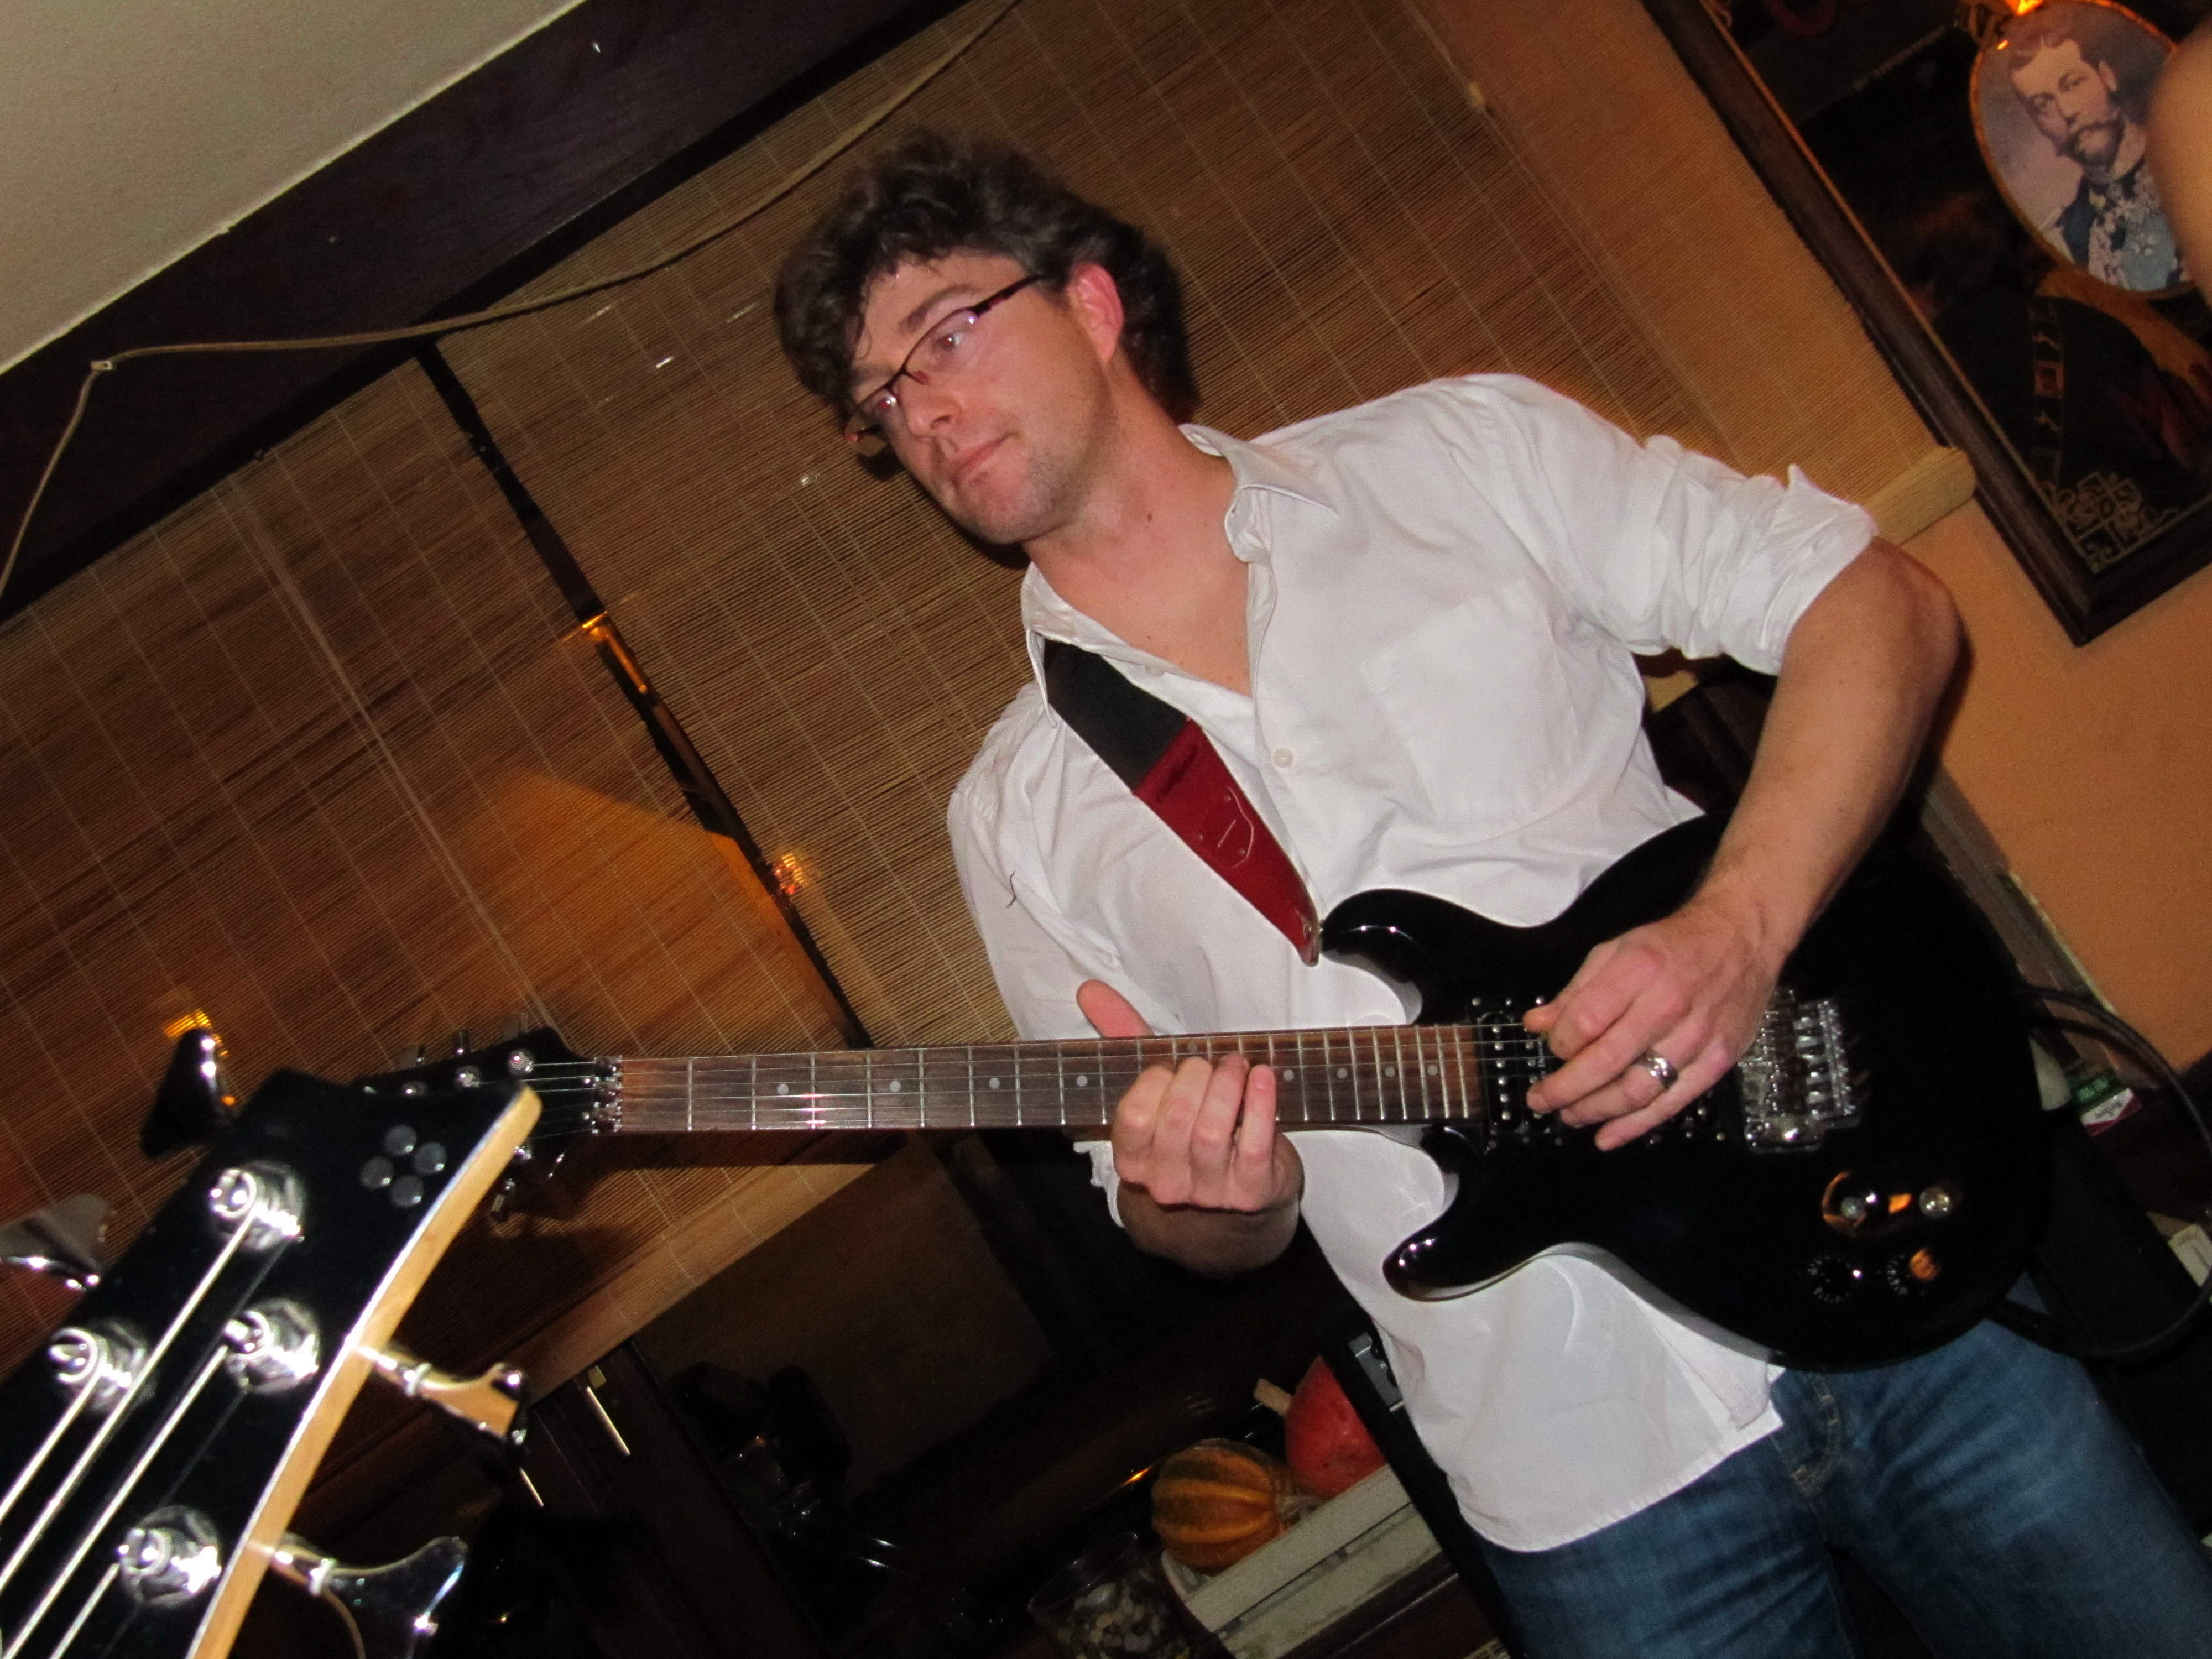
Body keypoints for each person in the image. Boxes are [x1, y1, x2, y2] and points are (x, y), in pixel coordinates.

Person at [774, 132, 2212, 1657]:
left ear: (1092, 300)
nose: (923, 411)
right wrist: (1212, 1200)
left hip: (1880, 1272)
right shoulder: (1017, 817)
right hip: (1586, 1485)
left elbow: (1879, 606)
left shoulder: (1456, 458)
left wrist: (1737, 928)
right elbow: (1183, 1220)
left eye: (945, 334)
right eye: (881, 400)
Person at [2003, 3, 2185, 291]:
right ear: (2037, 125)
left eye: (2073, 84)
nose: (2067, 111)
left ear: (2107, 77)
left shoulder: (2189, 148)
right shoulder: (2071, 237)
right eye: (2043, 105)